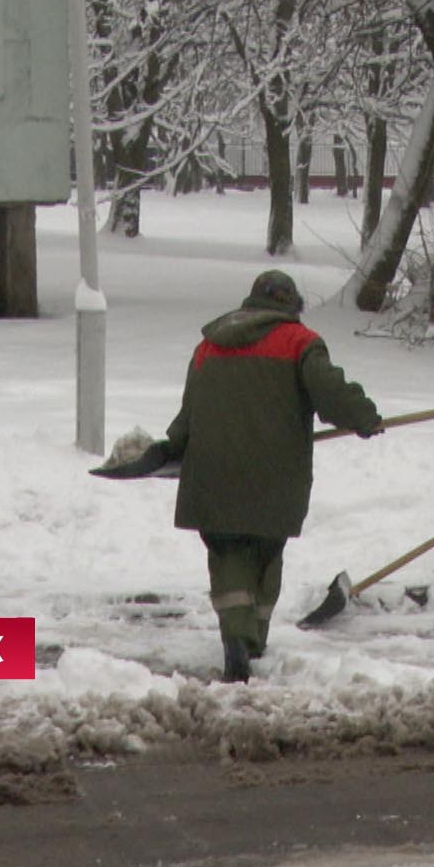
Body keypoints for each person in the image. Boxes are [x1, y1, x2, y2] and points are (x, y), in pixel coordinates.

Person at [163, 270, 381, 682]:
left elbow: (189, 412)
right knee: (265, 553)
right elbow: (330, 392)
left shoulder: (208, 346)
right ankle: (249, 639)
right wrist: (363, 417)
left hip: (212, 473)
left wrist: (169, 449)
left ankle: (238, 637)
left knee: (228, 556)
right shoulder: (300, 342)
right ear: (291, 305)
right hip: (274, 474)